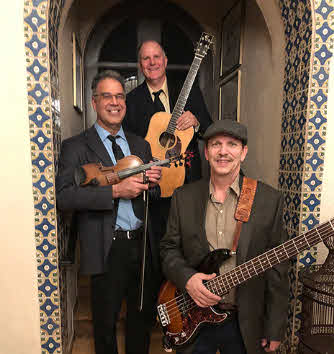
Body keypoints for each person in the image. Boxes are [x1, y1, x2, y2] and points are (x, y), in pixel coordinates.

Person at [56, 70, 163, 354]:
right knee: (105, 324)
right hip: (107, 246)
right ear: (94, 103)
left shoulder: (141, 145)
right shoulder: (75, 147)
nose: (115, 102)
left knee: (141, 321)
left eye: (120, 97)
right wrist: (116, 191)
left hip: (142, 245)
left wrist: (152, 184)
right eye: (107, 96)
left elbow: (152, 195)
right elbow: (65, 196)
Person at [160, 119, 289, 354]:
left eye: (232, 144)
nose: (223, 152)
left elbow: (278, 268)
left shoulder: (269, 200)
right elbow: (169, 249)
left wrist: (275, 327)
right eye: (215, 144)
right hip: (193, 314)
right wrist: (188, 279)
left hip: (245, 321)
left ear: (244, 152)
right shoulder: (183, 197)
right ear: (206, 153)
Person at [123, 40, 212, 239]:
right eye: (146, 58)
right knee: (157, 241)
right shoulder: (132, 101)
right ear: (140, 65)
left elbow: (210, 129)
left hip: (188, 181)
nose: (152, 62)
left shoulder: (188, 90)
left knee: (189, 239)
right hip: (153, 185)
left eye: (156, 57)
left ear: (165, 61)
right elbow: (126, 143)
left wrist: (196, 122)